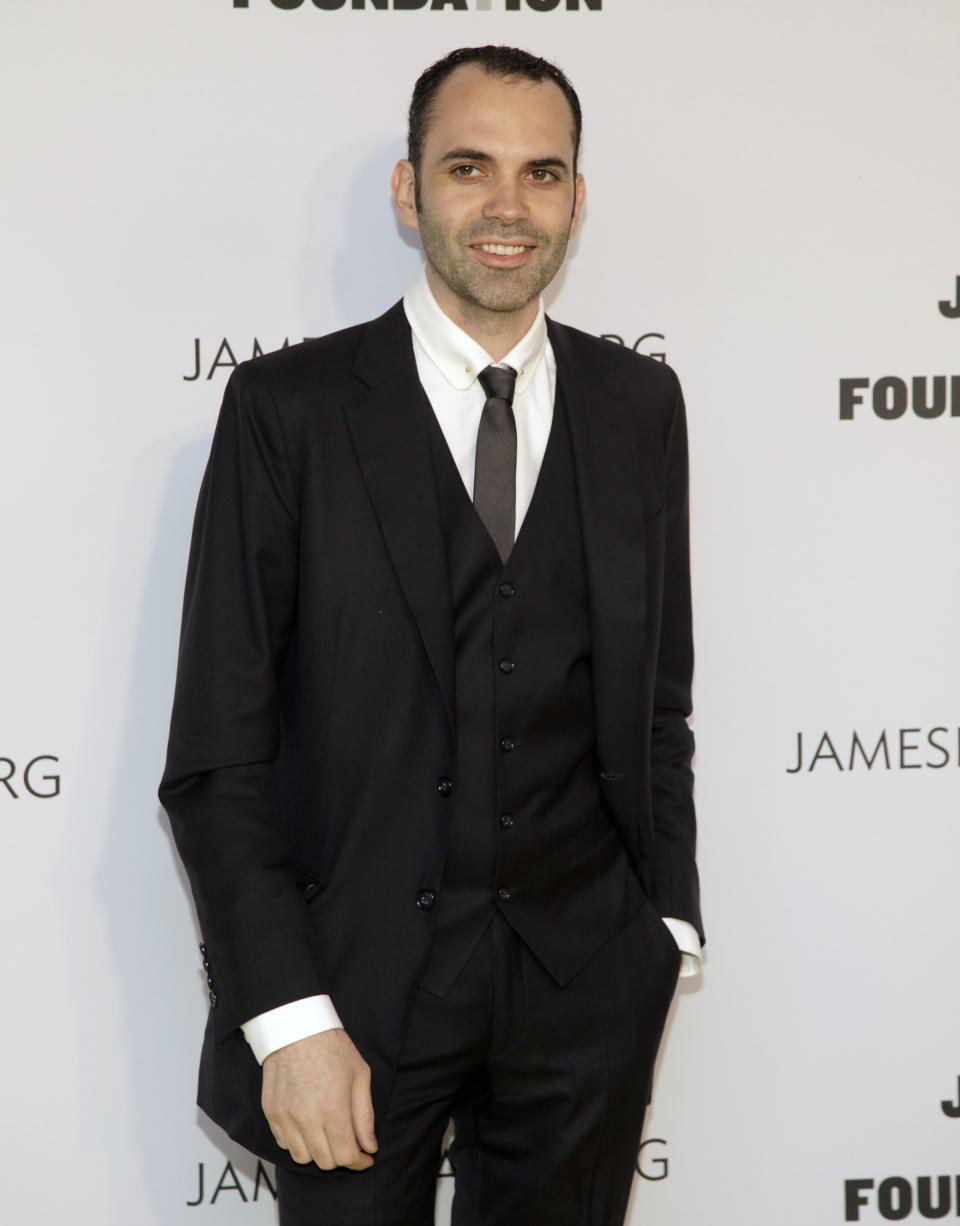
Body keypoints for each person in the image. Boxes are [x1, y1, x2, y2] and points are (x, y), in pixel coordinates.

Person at [160, 44, 703, 1226]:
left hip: (584, 984)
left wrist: (668, 927)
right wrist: (290, 1017)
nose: (510, 207)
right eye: (471, 167)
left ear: (577, 198)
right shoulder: (287, 411)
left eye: (543, 173)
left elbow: (659, 702)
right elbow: (217, 755)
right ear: (410, 193)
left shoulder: (640, 407)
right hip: (352, 994)